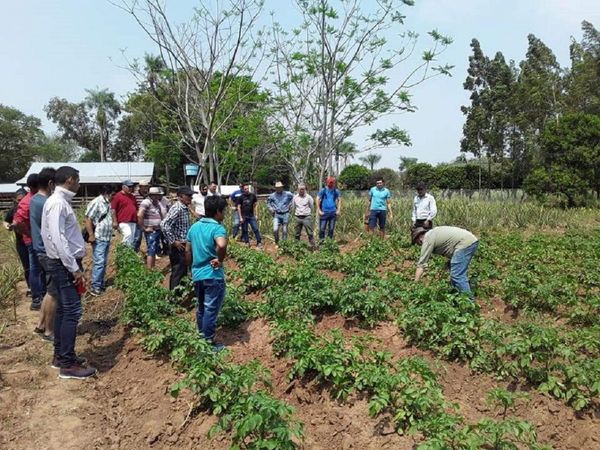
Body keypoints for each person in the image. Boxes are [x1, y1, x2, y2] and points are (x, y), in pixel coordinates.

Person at [41, 166, 96, 379]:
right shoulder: (57, 203)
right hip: (64, 264)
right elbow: (58, 238)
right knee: (72, 312)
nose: (79, 184)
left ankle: (60, 357)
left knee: (64, 311)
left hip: (63, 263)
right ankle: (67, 364)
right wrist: (74, 268)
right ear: (71, 180)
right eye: (78, 180)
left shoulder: (59, 202)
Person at [185, 196, 228, 351]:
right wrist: (220, 259)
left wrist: (190, 269)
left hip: (197, 274)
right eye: (223, 211)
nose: (224, 214)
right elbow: (221, 245)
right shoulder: (217, 227)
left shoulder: (194, 227)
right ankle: (209, 342)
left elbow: (187, 251)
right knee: (210, 308)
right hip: (213, 274)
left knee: (201, 308)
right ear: (217, 212)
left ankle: (202, 337)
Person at [29, 167, 58, 342]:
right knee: (53, 292)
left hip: (40, 249)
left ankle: (40, 325)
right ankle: (49, 331)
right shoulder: (44, 202)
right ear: (50, 183)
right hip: (47, 251)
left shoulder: (35, 200)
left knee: (49, 290)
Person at [412, 226, 479, 298]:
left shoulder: (428, 238)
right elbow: (450, 245)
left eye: (417, 242)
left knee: (457, 275)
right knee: (455, 272)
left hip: (464, 243)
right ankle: (458, 296)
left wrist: (415, 283)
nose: (418, 245)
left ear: (419, 237)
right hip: (470, 240)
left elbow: (421, 264)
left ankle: (469, 302)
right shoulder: (433, 233)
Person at [12, 173, 44, 310]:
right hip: (32, 241)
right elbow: (17, 223)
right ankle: (37, 298)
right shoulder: (28, 201)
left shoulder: (34, 199)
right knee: (35, 269)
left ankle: (41, 294)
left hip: (37, 240)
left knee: (39, 268)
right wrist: (30, 234)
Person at [161, 186, 194, 289]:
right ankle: (173, 298)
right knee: (178, 271)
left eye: (191, 196)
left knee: (183, 269)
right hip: (179, 245)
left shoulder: (184, 207)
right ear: (180, 196)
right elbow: (164, 224)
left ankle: (180, 294)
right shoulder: (178, 208)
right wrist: (173, 241)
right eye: (188, 196)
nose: (190, 198)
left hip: (184, 244)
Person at [84, 185, 114, 296]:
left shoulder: (107, 203)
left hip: (106, 237)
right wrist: (91, 235)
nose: (113, 196)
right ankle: (95, 286)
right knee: (99, 262)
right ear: (108, 193)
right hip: (99, 237)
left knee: (103, 262)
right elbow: (88, 219)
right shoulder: (96, 202)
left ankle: (100, 284)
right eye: (112, 194)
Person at [4, 188, 30, 293]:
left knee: (35, 266)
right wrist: (8, 226)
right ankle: (30, 287)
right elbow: (6, 221)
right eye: (18, 200)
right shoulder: (14, 210)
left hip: (32, 241)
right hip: (21, 243)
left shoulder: (30, 208)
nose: (20, 202)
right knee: (26, 265)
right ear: (15, 200)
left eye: (22, 199)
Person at [138, 187, 168, 269]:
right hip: (151, 230)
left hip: (157, 229)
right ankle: (149, 270)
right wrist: (144, 228)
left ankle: (152, 268)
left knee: (154, 249)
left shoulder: (156, 203)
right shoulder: (146, 202)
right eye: (157, 195)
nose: (158, 197)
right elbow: (140, 215)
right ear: (152, 195)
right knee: (151, 250)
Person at [111, 180, 138, 247]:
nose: (131, 188)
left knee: (131, 238)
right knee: (127, 234)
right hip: (123, 220)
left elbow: (136, 208)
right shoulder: (117, 196)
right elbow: (113, 209)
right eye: (129, 186)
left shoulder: (132, 196)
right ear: (123, 187)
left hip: (133, 220)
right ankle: (123, 249)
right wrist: (114, 221)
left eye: (131, 187)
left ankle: (129, 253)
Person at [317, 176, 341, 242]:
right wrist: (319, 210)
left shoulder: (336, 191)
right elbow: (318, 199)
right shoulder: (323, 190)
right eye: (329, 183)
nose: (330, 184)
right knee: (322, 229)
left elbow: (339, 199)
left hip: (333, 212)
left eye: (332, 183)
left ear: (334, 183)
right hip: (324, 212)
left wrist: (338, 210)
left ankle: (329, 243)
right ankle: (321, 242)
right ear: (327, 182)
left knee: (331, 229)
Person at [238, 183, 262, 248]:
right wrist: (240, 217)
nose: (247, 190)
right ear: (243, 189)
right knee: (245, 230)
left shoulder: (252, 196)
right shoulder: (241, 197)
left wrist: (256, 214)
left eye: (247, 188)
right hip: (244, 216)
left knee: (255, 229)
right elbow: (239, 207)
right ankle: (247, 242)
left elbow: (255, 205)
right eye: (245, 189)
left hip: (251, 216)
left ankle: (259, 242)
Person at [292, 183, 315, 248]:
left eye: (303, 189)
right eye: (300, 189)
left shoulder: (309, 197)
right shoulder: (295, 197)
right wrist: (293, 215)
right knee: (297, 233)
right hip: (298, 217)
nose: (301, 190)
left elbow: (312, 207)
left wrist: (310, 215)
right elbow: (293, 207)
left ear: (305, 189)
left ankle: (312, 246)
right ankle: (297, 247)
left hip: (306, 217)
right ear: (297, 189)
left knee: (310, 233)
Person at [133, 181, 150, 251]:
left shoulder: (149, 196)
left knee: (149, 237)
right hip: (139, 219)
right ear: (140, 187)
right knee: (137, 237)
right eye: (144, 187)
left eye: (146, 186)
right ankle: (135, 252)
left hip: (148, 219)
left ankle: (151, 252)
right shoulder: (135, 195)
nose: (145, 188)